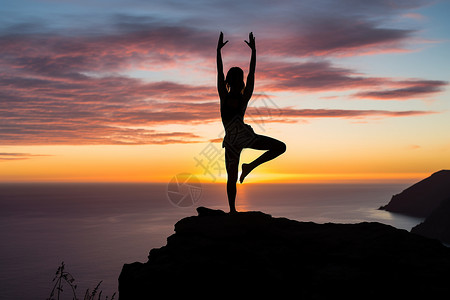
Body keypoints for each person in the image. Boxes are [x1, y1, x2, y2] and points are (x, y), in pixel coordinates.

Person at [217, 31, 286, 213]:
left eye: (239, 78)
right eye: (236, 78)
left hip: (242, 138)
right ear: (230, 81)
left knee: (280, 147)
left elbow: (252, 74)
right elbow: (220, 72)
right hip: (235, 141)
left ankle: (249, 167)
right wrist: (218, 51)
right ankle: (232, 210)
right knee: (231, 177)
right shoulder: (225, 96)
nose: (239, 81)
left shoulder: (242, 98)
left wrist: (254, 52)